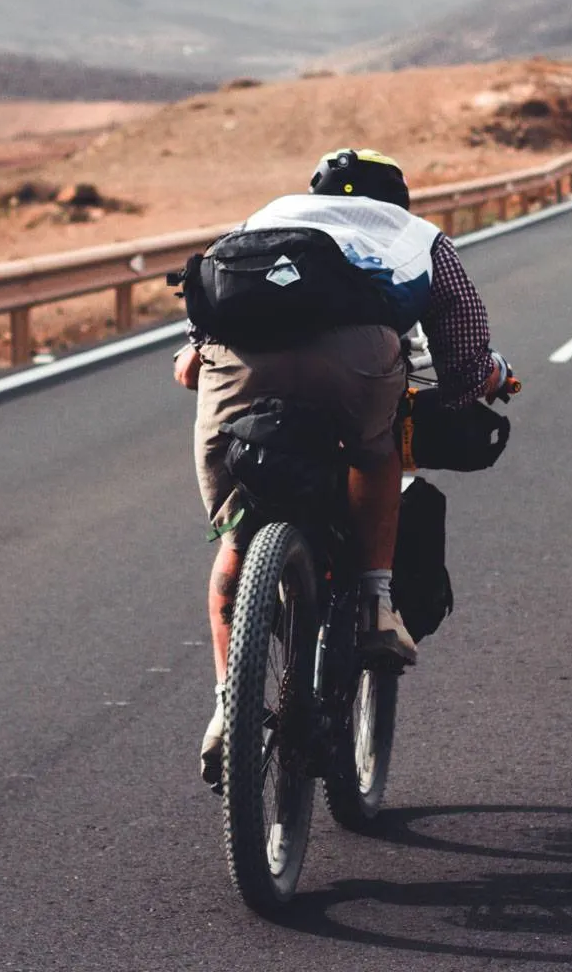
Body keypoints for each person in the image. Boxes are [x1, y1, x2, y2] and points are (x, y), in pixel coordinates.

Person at [174, 148, 504, 789]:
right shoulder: (416, 234)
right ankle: (377, 603)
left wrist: (196, 356)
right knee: (376, 452)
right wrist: (476, 383)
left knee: (235, 525)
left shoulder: (266, 218)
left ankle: (227, 707)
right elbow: (463, 338)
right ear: (395, 197)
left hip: (238, 361)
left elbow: (210, 300)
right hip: (356, 359)